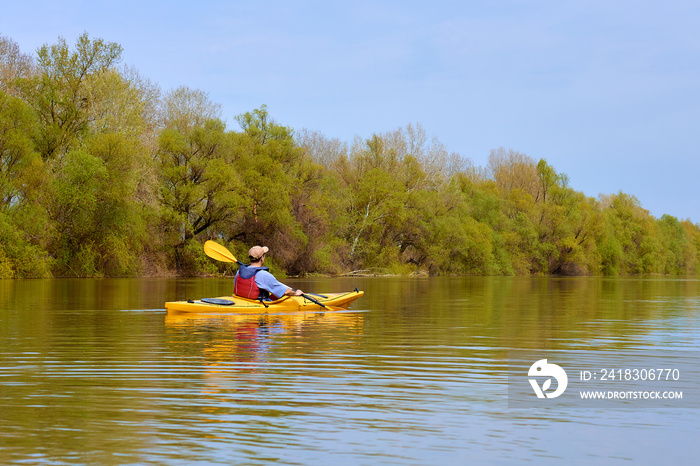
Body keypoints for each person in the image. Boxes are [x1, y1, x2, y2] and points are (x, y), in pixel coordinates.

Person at [233, 245, 303, 300]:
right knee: (284, 296)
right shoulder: (263, 275)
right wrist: (296, 293)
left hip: (242, 299)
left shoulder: (239, 271)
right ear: (262, 258)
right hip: (259, 304)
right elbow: (285, 292)